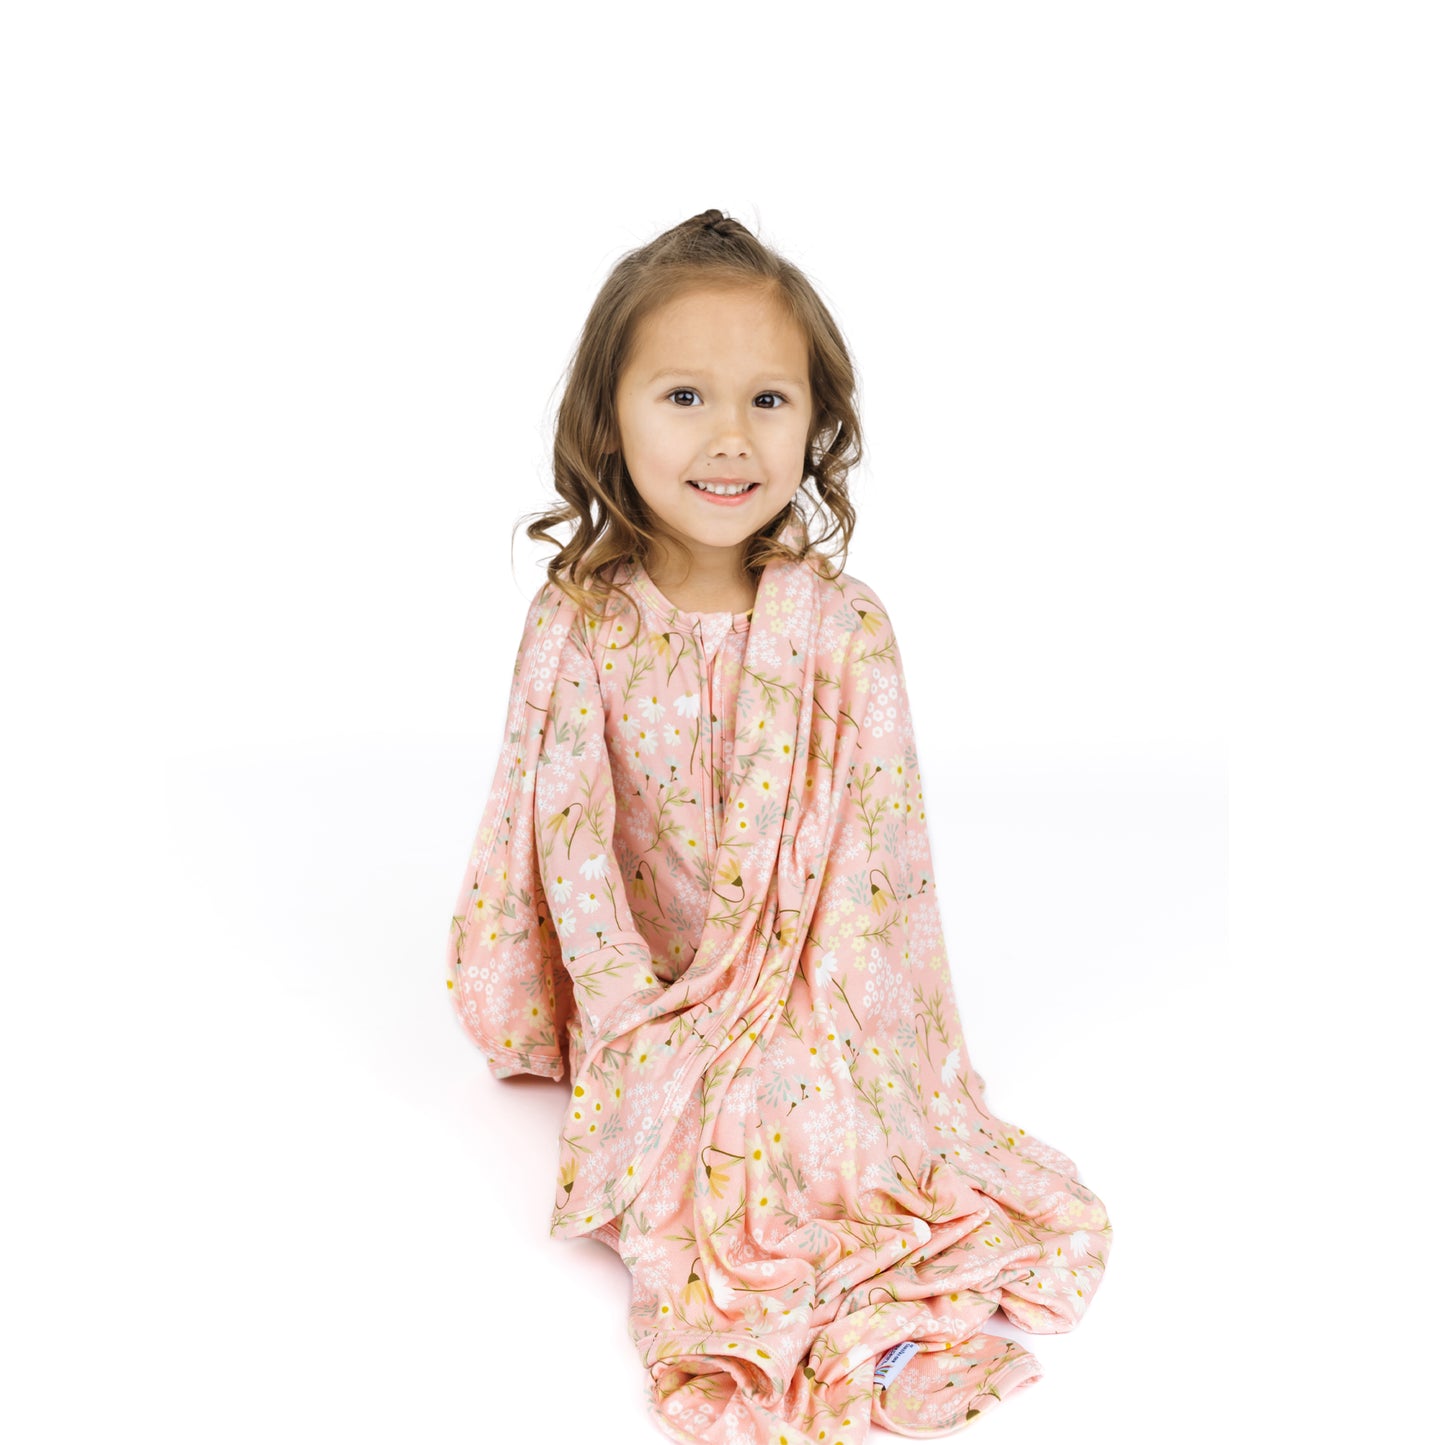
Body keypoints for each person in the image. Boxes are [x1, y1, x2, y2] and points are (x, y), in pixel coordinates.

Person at [444, 209, 1111, 1445]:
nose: (728, 438)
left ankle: (875, 1296)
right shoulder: (580, 622)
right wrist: (637, 1017)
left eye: (767, 399)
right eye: (684, 393)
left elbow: (877, 871)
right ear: (609, 419)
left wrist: (836, 1033)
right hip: (647, 983)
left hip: (810, 969)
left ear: (816, 424)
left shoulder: (843, 628)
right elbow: (570, 840)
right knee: (697, 1151)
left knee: (818, 1128)